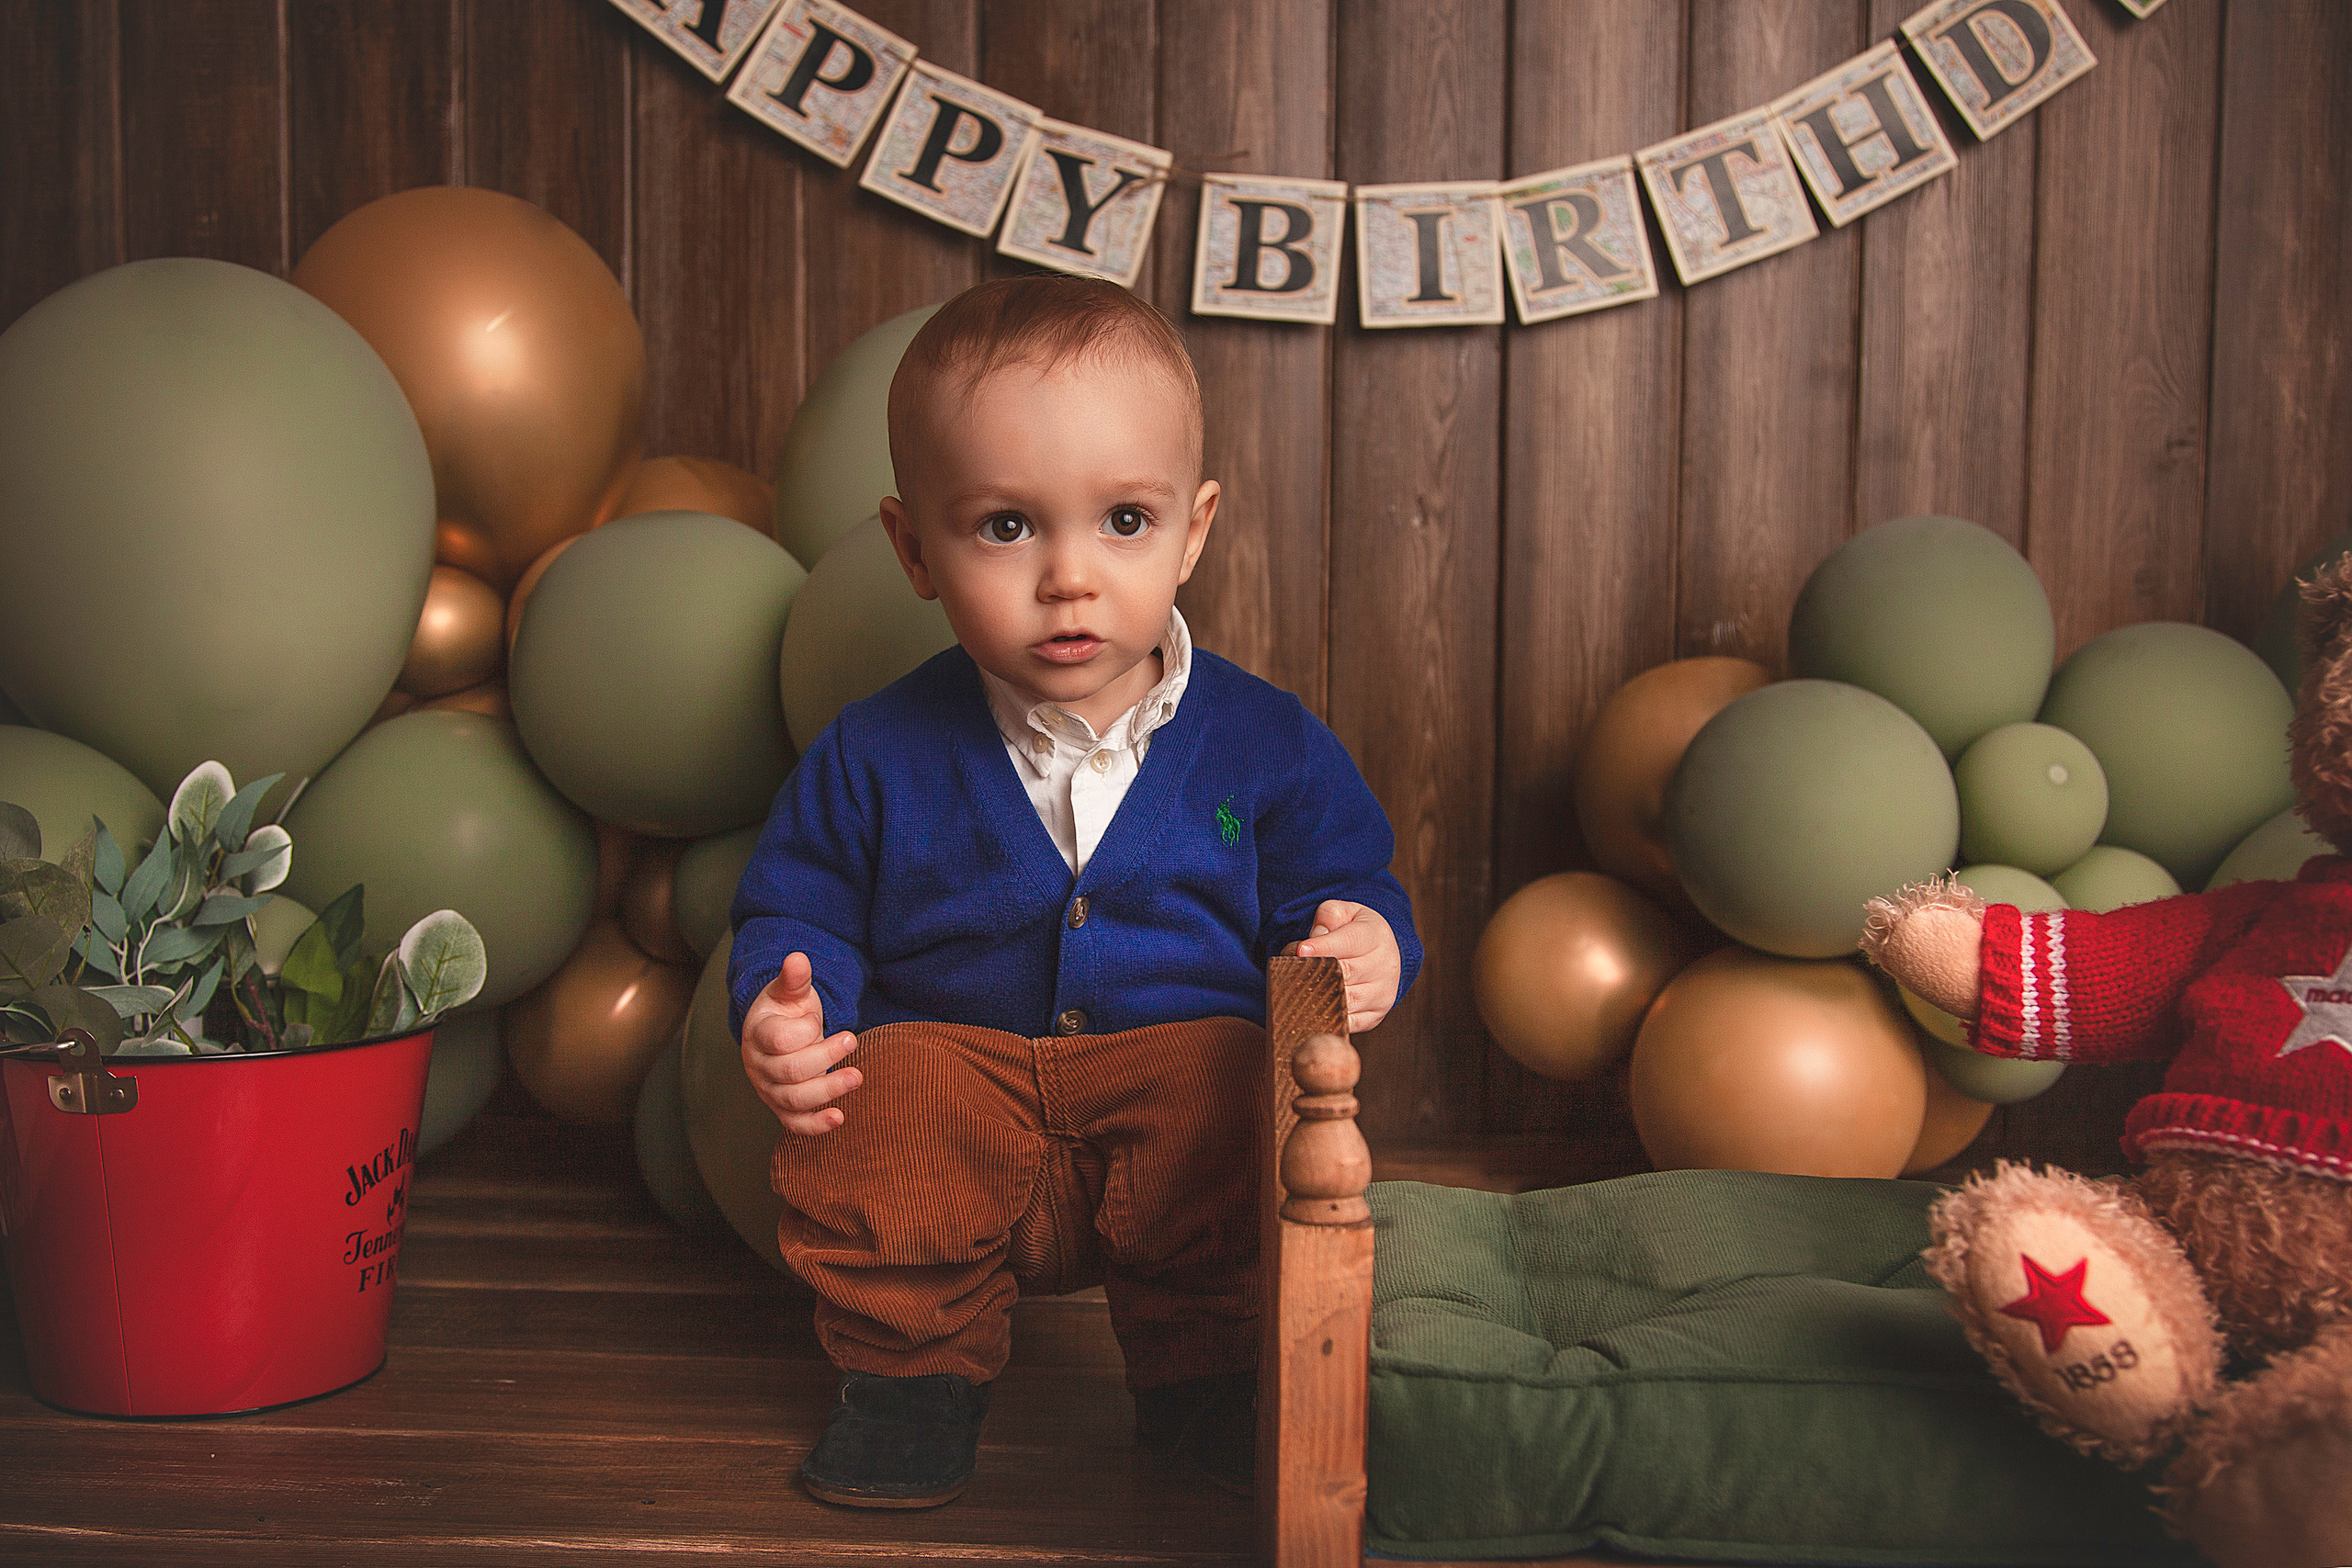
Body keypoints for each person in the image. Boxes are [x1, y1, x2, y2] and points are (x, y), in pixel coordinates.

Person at [729, 275, 1420, 1510]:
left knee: (1233, 1090)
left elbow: (1336, 880)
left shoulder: (1262, 744)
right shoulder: (875, 751)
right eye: (1004, 528)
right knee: (879, 1114)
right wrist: (787, 1006)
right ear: (913, 549)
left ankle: (1203, 1381)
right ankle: (909, 1381)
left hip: (1170, 1081)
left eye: (1123, 521)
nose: (1067, 577)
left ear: (1194, 529)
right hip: (960, 1067)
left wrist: (1365, 940)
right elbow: (801, 906)